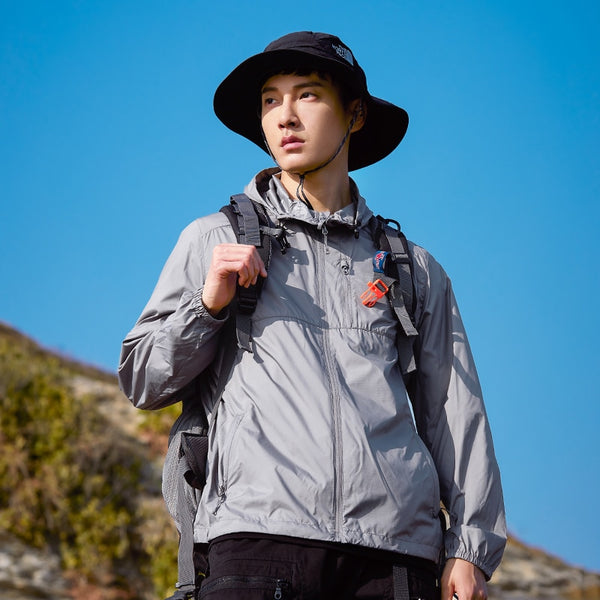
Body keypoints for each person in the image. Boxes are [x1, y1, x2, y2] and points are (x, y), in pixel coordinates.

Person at [118, 31, 506, 600]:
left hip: (395, 561)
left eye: (307, 95)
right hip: (256, 544)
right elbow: (142, 379)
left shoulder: (414, 270)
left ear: (355, 115)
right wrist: (209, 305)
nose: (285, 117)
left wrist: (468, 549)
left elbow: (457, 414)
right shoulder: (214, 239)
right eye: (271, 100)